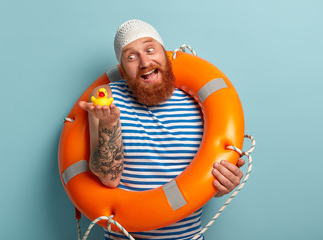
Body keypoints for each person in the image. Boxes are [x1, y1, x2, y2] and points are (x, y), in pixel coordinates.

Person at [79, 19, 245, 240]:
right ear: (122, 69)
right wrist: (109, 126)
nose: (144, 62)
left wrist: (222, 183)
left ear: (164, 53)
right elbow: (109, 178)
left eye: (150, 49)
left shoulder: (198, 101)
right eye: (131, 57)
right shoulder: (107, 99)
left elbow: (202, 177)